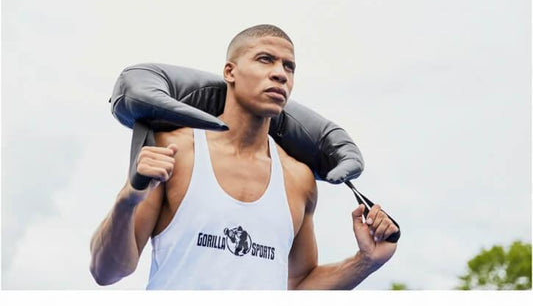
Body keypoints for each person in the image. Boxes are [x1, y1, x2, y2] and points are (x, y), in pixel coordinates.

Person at [90, 24, 399, 289]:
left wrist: (366, 262)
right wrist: (127, 201)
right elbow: (107, 273)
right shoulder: (175, 150)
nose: (280, 74)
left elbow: (298, 285)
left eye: (289, 67)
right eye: (265, 60)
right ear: (230, 72)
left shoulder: (298, 178)